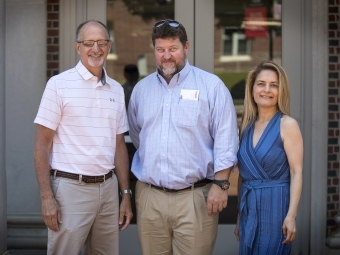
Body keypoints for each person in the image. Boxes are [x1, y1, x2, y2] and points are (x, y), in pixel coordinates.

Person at [128, 19, 238, 255]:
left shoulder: (212, 87)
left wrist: (220, 184)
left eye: (173, 49)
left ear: (186, 47)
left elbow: (226, 140)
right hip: (150, 198)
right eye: (160, 50)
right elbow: (139, 139)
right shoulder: (141, 90)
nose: (167, 56)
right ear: (154, 50)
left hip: (195, 198)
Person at [33, 20, 133, 255]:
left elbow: (118, 145)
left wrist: (125, 194)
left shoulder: (117, 90)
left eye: (101, 43)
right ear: (78, 47)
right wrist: (47, 197)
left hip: (108, 190)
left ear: (109, 46)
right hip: (70, 190)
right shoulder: (58, 85)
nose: (95, 49)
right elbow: (42, 144)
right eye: (89, 43)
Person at [234, 60, 303, 254]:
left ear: (281, 91)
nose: (267, 90)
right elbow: (243, 176)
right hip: (249, 209)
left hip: (276, 208)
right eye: (261, 84)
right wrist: (240, 215)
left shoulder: (287, 124)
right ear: (252, 88)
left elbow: (296, 172)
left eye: (274, 85)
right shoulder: (245, 126)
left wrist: (291, 216)